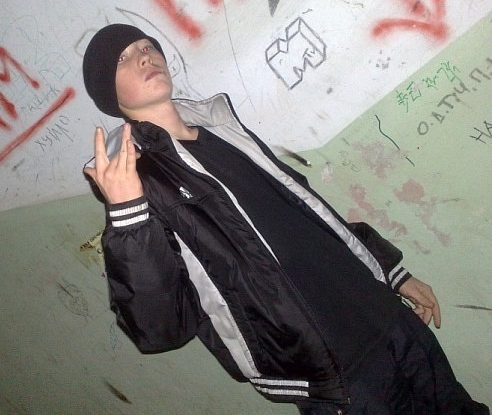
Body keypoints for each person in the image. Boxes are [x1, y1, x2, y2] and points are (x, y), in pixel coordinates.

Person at [81, 24, 489, 414]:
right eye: (123, 58)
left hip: (385, 315)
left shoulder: (221, 128)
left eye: (147, 46)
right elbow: (159, 329)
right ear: (108, 93)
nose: (144, 57)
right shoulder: (139, 181)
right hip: (334, 370)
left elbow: (307, 211)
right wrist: (127, 215)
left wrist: (390, 271)